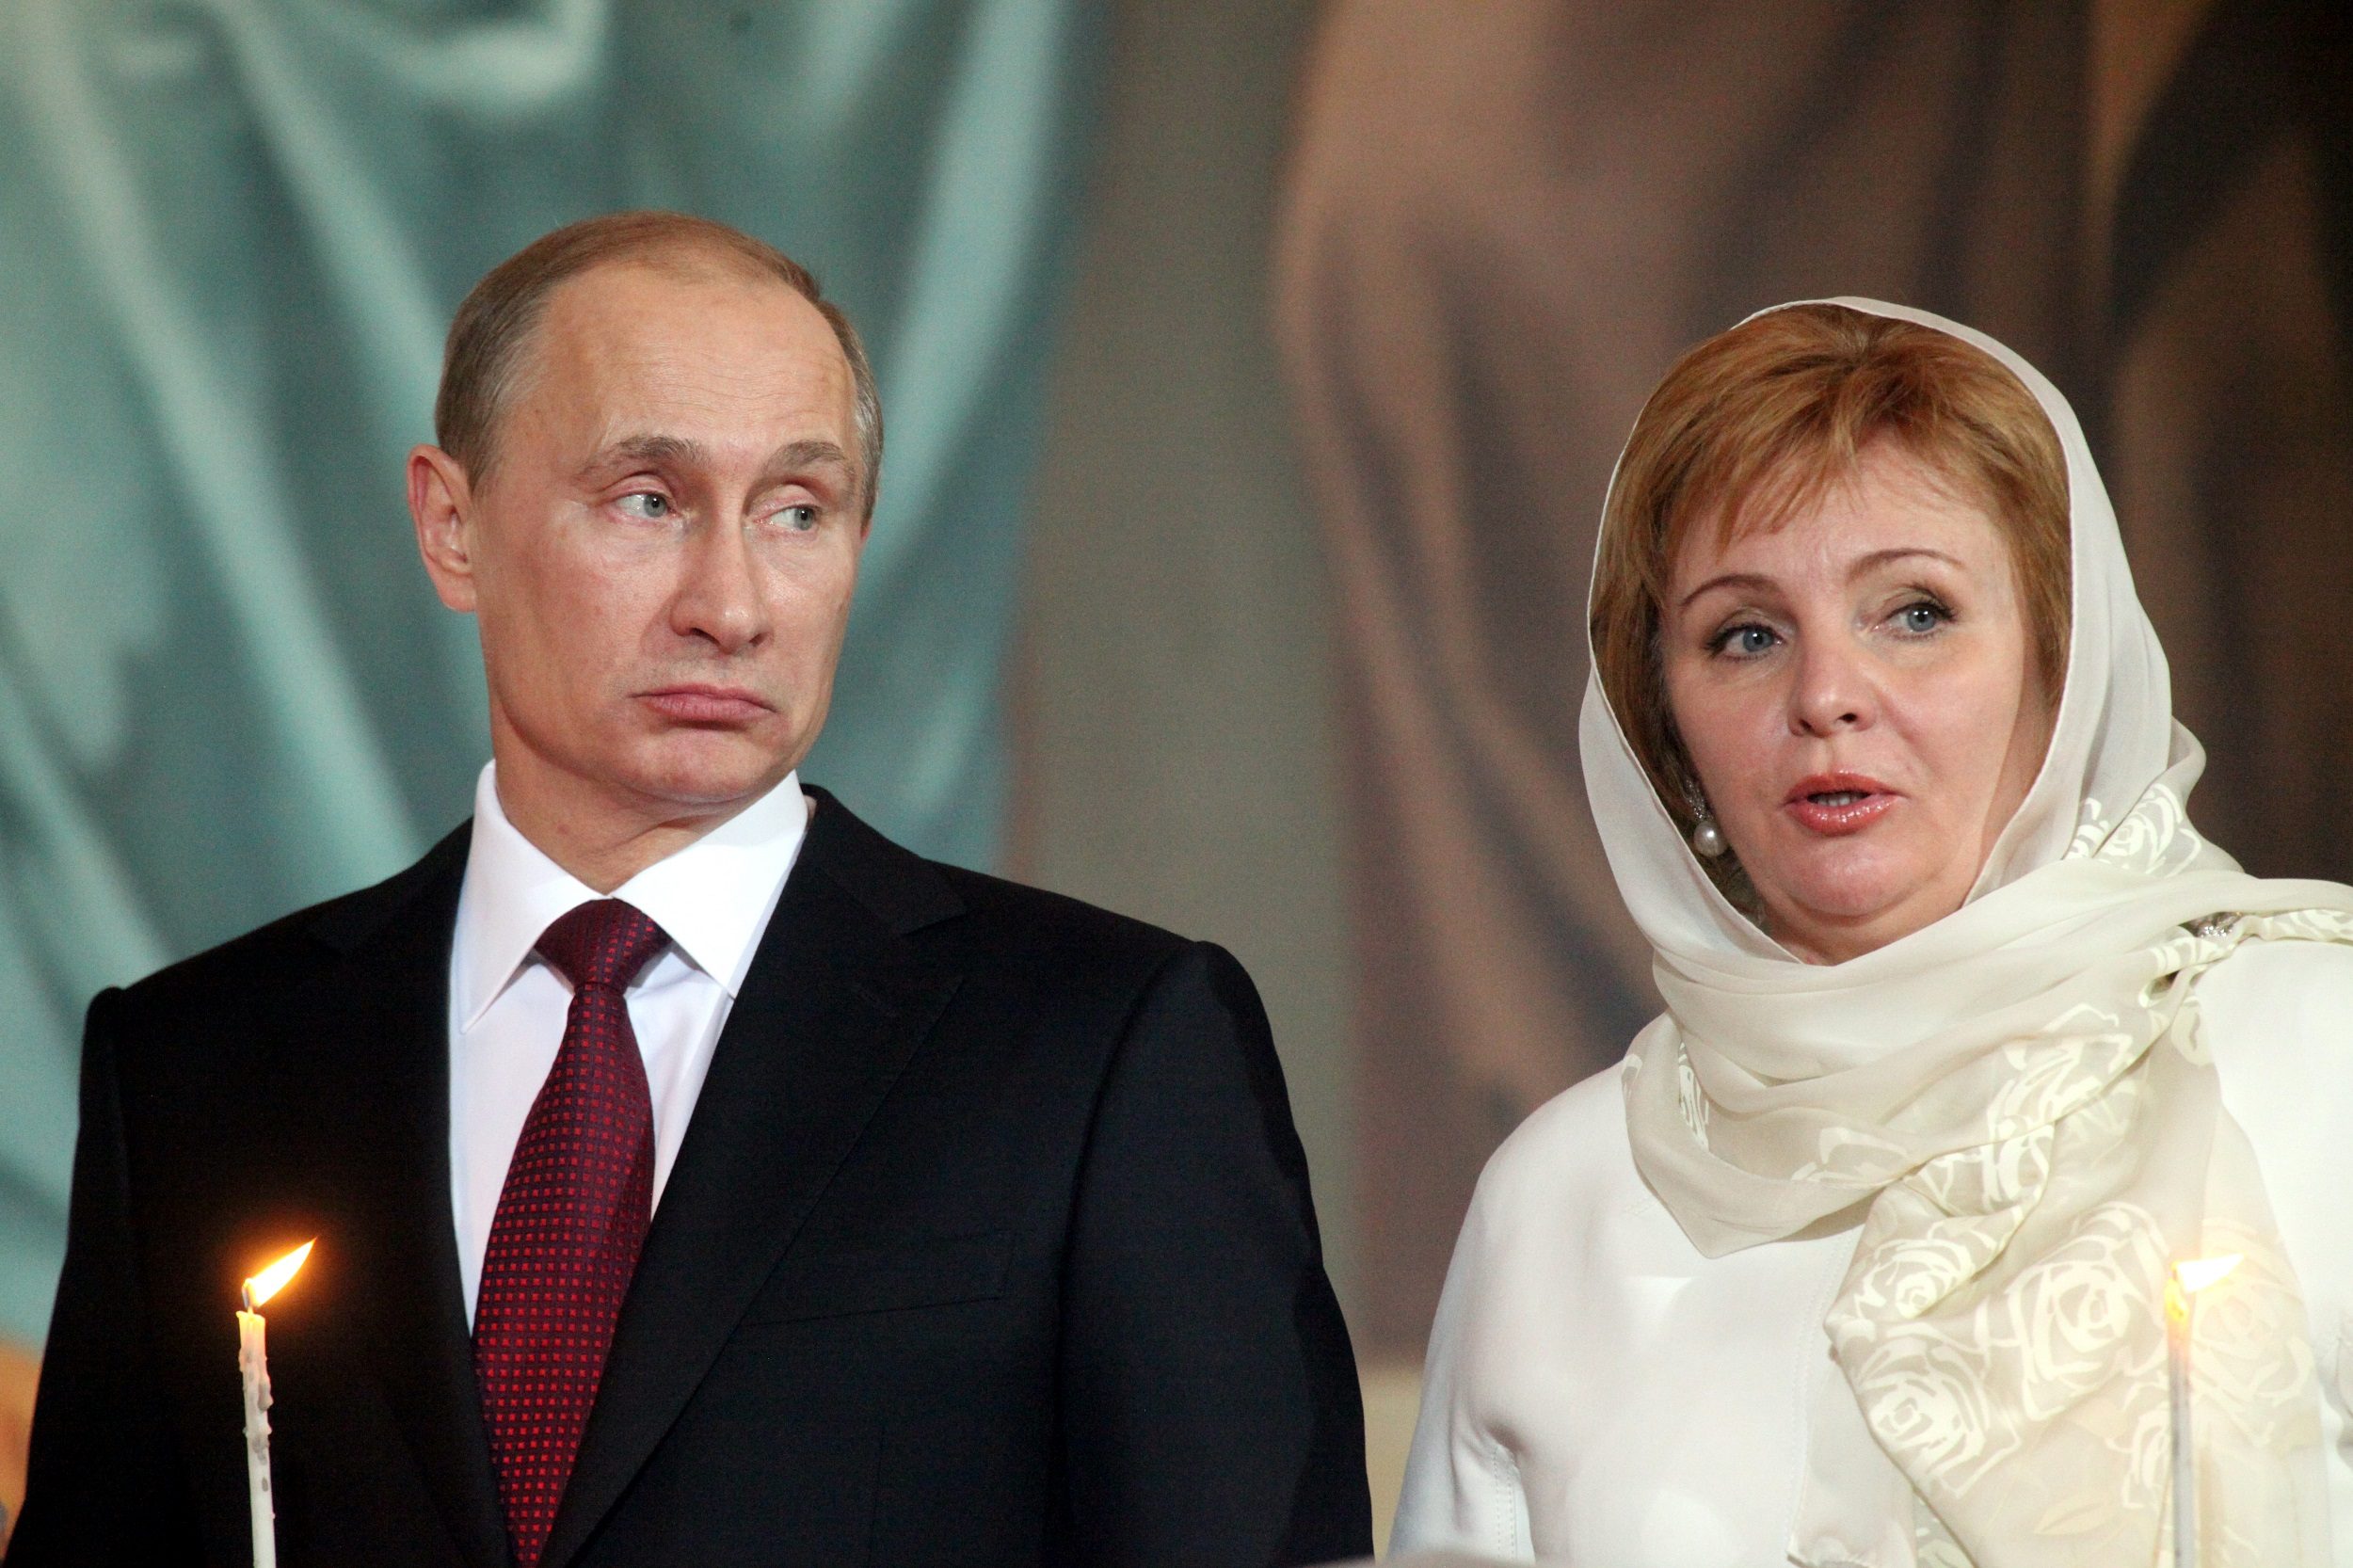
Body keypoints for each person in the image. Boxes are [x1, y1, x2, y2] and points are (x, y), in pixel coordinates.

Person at [9, 212, 1370, 1568]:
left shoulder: (1107, 1046)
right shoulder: (197, 1068)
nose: (733, 604)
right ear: (452, 525)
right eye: (648, 500)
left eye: (797, 511)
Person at [1390, 299, 2353, 1568]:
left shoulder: (2317, 1046)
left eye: (1915, 613)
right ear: (1665, 730)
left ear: (2065, 665)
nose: (1827, 696)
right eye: (1746, 635)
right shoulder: (1560, 1199)